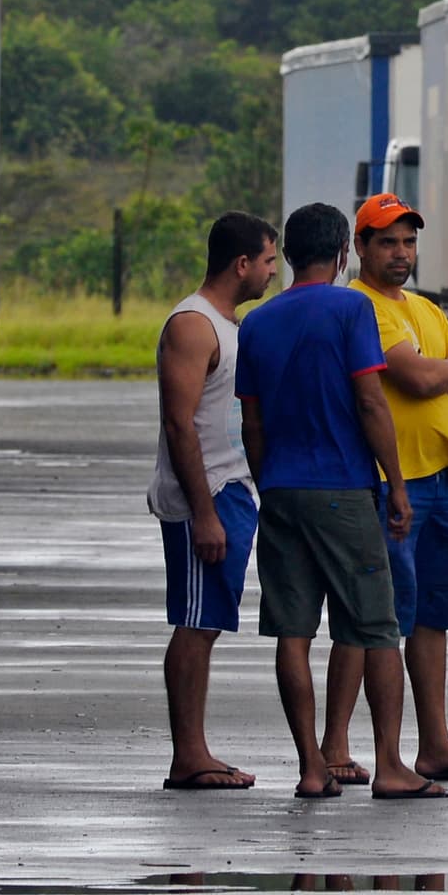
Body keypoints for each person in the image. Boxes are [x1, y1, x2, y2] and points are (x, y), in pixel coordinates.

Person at [236, 201, 437, 801]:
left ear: (289, 254)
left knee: (293, 632)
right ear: (345, 251)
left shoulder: (258, 323)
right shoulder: (352, 308)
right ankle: (392, 766)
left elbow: (251, 421)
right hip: (344, 489)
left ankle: (311, 767)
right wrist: (396, 483)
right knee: (376, 628)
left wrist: (269, 482)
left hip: (281, 489)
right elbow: (371, 402)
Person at [329, 194, 448, 788]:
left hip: (443, 481)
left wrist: (444, 372)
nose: (401, 253)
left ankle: (435, 744)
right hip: (390, 484)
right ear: (360, 247)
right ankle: (336, 745)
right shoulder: (359, 305)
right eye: (387, 242)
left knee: (432, 617)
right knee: (373, 618)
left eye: (408, 241)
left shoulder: (425, 309)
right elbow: (427, 377)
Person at [150, 211, 280, 791]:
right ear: (241, 263)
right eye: (269, 261)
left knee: (207, 625)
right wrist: (203, 513)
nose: (273, 272)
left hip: (232, 492)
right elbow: (179, 425)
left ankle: (196, 751)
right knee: (195, 623)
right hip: (204, 497)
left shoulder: (230, 326)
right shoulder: (193, 325)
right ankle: (189, 756)